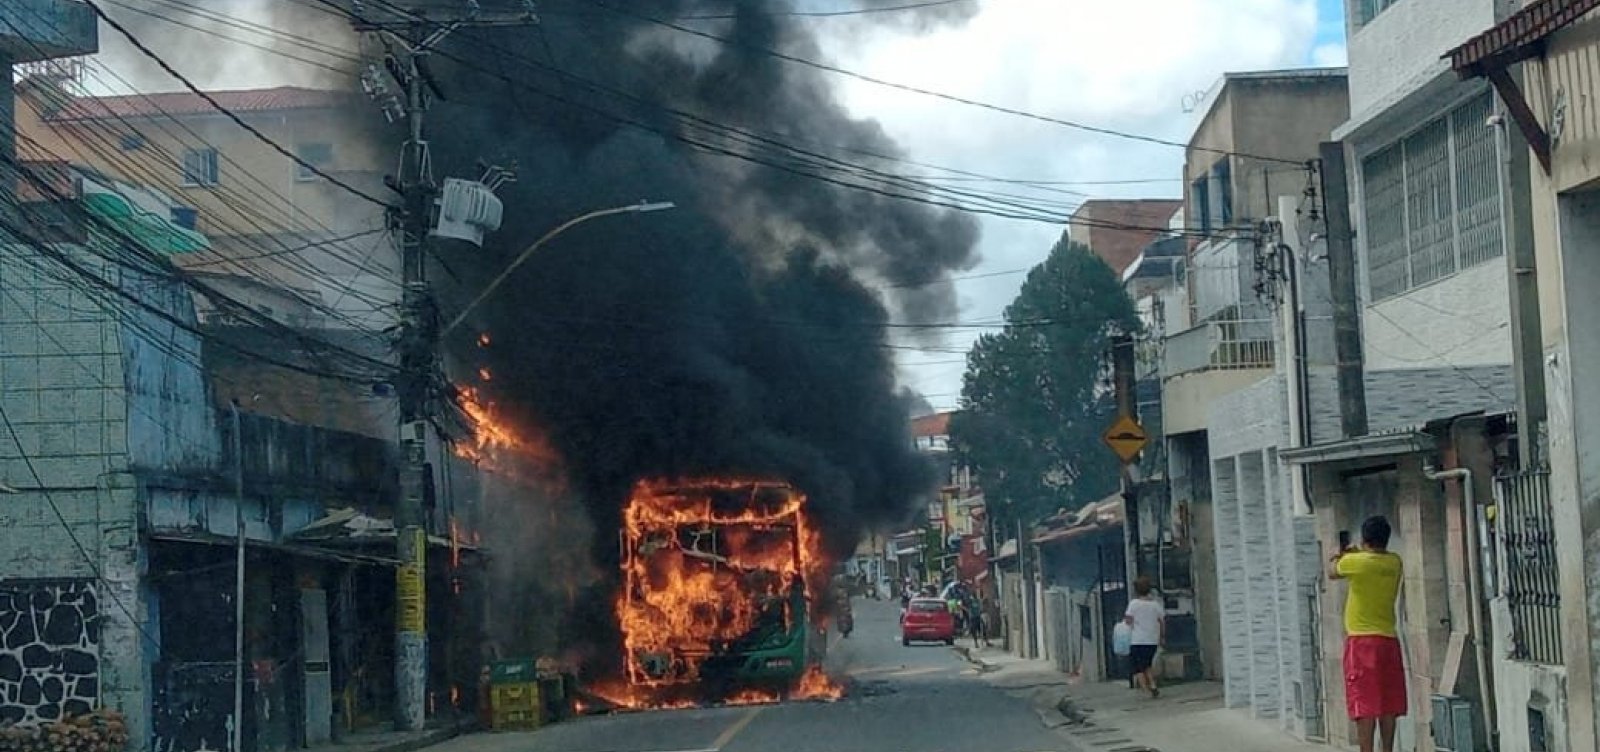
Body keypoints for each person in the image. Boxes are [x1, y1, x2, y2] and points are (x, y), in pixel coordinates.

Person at [1329, 516, 1406, 752]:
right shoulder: (1395, 562)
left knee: (1364, 704)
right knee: (1388, 702)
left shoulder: (1356, 562)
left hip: (1361, 642)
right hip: (1389, 639)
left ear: (1365, 539)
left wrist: (1340, 553)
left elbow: (1332, 571)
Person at [1123, 575, 1164, 698]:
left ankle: (1145, 690)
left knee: (1137, 667)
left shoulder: (1134, 604)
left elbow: (1128, 620)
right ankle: (1153, 685)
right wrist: (1162, 637)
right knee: (1146, 665)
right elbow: (1162, 622)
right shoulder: (1156, 605)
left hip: (1138, 640)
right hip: (1152, 640)